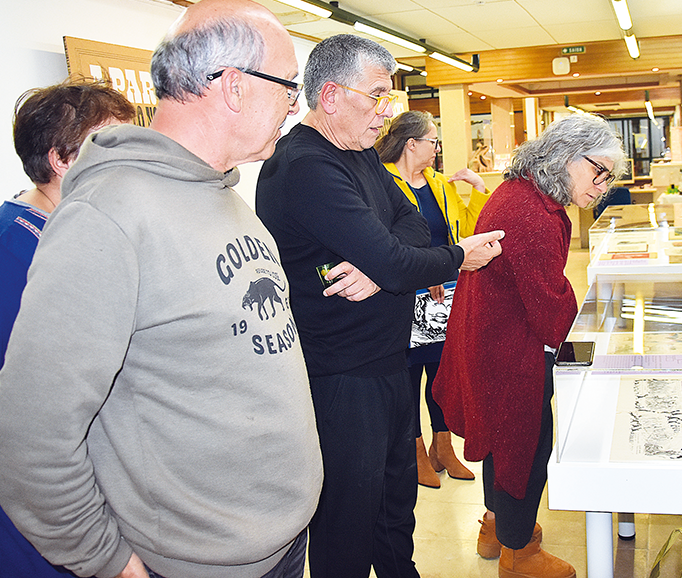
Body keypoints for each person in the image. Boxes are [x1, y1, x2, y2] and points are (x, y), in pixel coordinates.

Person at [0, 0, 323, 578]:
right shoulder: (108, 216)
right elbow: (30, 436)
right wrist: (111, 562)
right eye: (288, 86)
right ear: (235, 86)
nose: (294, 107)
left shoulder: (222, 195)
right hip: (198, 564)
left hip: (280, 547)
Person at [255, 33, 505, 578]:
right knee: (347, 517)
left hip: (389, 360)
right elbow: (400, 254)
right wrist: (451, 257)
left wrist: (380, 264)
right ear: (330, 95)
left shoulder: (363, 153)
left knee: (396, 504)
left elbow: (411, 221)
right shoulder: (302, 166)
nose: (385, 114)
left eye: (388, 98)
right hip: (341, 375)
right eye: (376, 97)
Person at [0, 79, 134, 577]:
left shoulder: (87, 237)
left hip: (86, 509)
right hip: (8, 518)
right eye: (113, 149)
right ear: (61, 160)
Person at [434, 114, 622, 578]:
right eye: (599, 173)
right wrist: (590, 339)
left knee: (501, 442)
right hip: (512, 353)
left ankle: (494, 528)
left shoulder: (521, 193)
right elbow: (548, 303)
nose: (603, 187)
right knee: (524, 445)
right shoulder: (533, 213)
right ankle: (519, 554)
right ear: (567, 157)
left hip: (491, 340)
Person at [375, 110, 491, 488]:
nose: (437, 148)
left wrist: (478, 189)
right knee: (407, 376)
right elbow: (388, 246)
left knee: (441, 374)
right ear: (412, 144)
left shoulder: (439, 184)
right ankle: (416, 453)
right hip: (407, 294)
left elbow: (466, 231)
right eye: (433, 141)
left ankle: (444, 448)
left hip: (445, 294)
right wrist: (426, 274)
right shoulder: (382, 182)